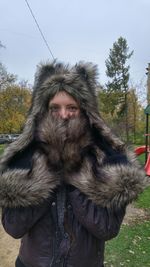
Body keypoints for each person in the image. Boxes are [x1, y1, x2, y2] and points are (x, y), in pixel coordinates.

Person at [0, 61, 147, 267]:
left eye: (72, 107)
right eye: (54, 108)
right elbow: (14, 228)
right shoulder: (24, 158)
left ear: (85, 111)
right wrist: (47, 174)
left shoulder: (108, 160)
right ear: (42, 111)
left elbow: (107, 228)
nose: (63, 115)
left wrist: (75, 177)